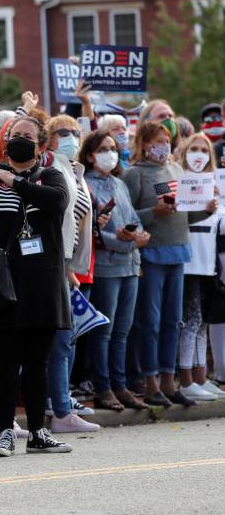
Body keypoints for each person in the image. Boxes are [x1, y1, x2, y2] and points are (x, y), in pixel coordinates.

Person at [0, 116, 73, 457]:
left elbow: (57, 202)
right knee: (4, 363)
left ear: (40, 145)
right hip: (1, 285)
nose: (20, 141)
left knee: (36, 363)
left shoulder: (49, 176)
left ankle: (39, 430)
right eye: (15, 135)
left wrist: (15, 181)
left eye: (28, 136)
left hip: (40, 286)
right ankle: (5, 430)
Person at [123, 121, 215, 407]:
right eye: (156, 140)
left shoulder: (176, 170)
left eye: (166, 139)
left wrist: (205, 210)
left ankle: (168, 380)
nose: (163, 145)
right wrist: (154, 211)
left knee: (173, 321)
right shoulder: (134, 175)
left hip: (178, 252)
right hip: (152, 254)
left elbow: (185, 215)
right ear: (143, 143)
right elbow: (128, 217)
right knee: (150, 321)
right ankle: (150, 381)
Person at [80, 131, 149, 411]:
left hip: (130, 266)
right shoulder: (86, 185)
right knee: (105, 331)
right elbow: (90, 233)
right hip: (107, 267)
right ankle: (103, 387)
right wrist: (118, 241)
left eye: (112, 148)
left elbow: (134, 220)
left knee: (123, 330)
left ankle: (120, 385)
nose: (110, 153)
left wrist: (139, 236)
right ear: (90, 155)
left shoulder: (120, 184)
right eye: (103, 148)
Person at [43, 116, 100, 433]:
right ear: (48, 139)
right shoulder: (51, 166)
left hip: (69, 266)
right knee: (60, 339)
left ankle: (61, 400)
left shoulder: (76, 171)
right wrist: (63, 267)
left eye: (75, 132)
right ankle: (60, 410)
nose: (70, 137)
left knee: (67, 339)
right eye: (62, 132)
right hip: (55, 264)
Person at [175, 133, 224, 400]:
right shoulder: (180, 182)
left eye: (203, 150)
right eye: (193, 149)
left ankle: (201, 376)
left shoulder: (214, 186)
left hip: (208, 263)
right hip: (188, 261)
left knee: (202, 320)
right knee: (190, 320)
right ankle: (186, 378)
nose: (198, 154)